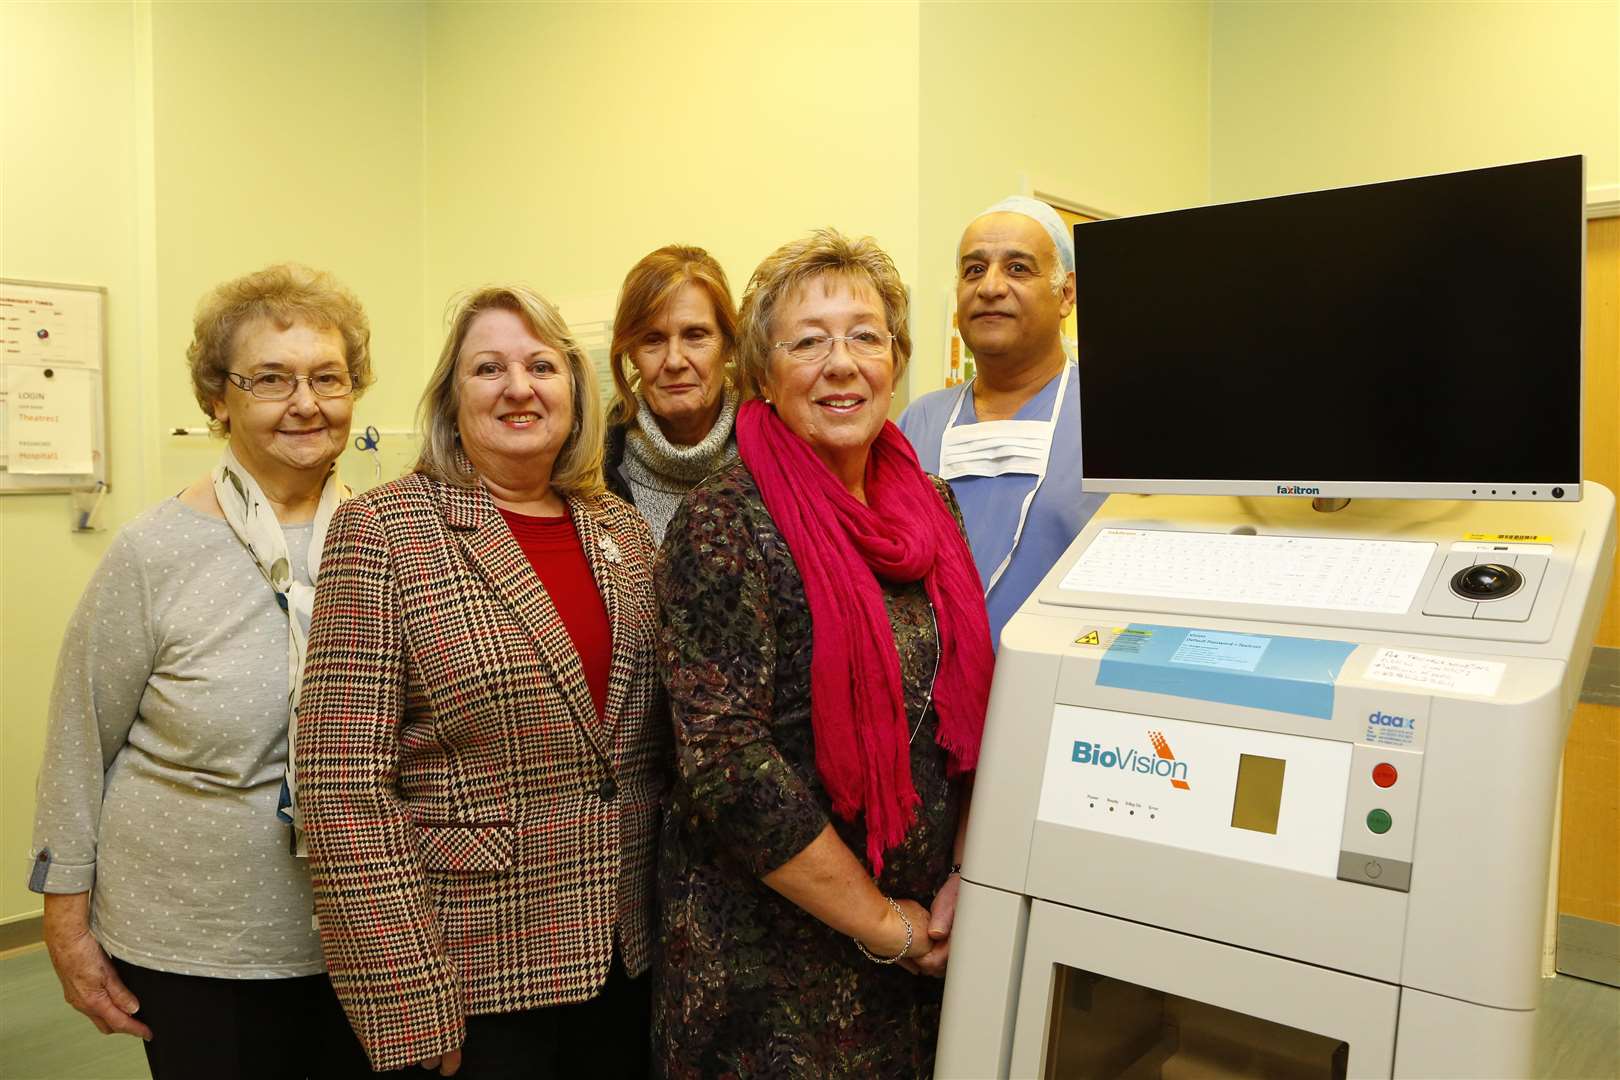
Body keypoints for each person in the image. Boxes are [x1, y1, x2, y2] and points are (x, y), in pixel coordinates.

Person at [296, 284, 667, 1077]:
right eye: (488, 367)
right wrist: (407, 997)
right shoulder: (385, 531)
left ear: (574, 387)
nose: (519, 387)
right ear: (451, 396)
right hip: (474, 975)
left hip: (627, 958)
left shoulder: (622, 529)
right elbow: (341, 787)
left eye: (541, 365)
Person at [653, 228, 994, 1077]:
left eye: (866, 336)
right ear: (762, 377)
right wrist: (889, 925)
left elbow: (972, 705)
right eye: (808, 341)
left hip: (926, 945)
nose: (841, 363)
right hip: (773, 974)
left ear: (897, 360)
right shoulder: (725, 520)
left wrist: (961, 877)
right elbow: (729, 767)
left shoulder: (932, 507)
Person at [28, 263, 375, 1078]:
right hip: (190, 940)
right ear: (218, 399)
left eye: (328, 377)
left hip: (362, 931)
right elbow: (79, 741)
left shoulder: (389, 536)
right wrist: (67, 926)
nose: (306, 403)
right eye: (270, 380)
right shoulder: (154, 552)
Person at [898, 195, 1106, 648]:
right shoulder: (918, 423)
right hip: (933, 702)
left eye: (1017, 268)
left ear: (1066, 293)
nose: (990, 287)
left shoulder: (1112, 414)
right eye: (974, 269)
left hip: (1062, 690)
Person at [603, 244, 740, 544]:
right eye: (653, 339)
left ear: (728, 346)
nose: (675, 361)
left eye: (695, 335)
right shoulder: (594, 471)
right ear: (631, 353)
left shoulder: (778, 454)